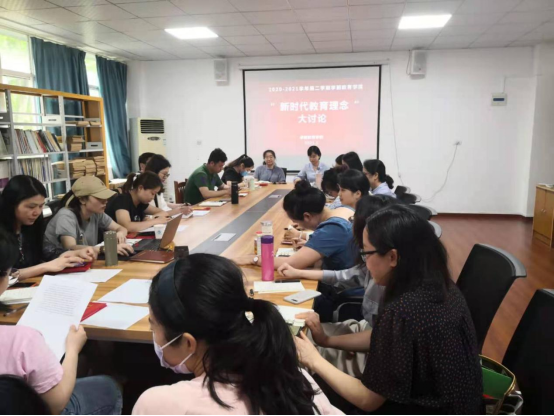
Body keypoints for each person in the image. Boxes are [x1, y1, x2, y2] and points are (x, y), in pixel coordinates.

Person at [295, 205, 483, 415]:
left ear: (393, 257)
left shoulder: (404, 310)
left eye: (366, 253)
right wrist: (326, 341)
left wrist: (314, 360)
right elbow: (385, 337)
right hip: (462, 406)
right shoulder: (441, 286)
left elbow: (368, 400)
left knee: (305, 387)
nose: (365, 263)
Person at [133, 254, 342, 415]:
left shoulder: (160, 405)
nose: (154, 335)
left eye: (153, 327)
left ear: (189, 343)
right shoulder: (295, 378)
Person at [0, 228, 123, 416]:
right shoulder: (22, 341)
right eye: (10, 273)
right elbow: (57, 404)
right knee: (108, 387)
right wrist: (73, 349)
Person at [278, 195, 398, 376]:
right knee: (291, 336)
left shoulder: (404, 301)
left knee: (285, 351)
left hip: (374, 354)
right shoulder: (380, 264)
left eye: (365, 250)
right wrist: (300, 273)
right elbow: (346, 276)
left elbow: (381, 341)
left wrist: (331, 342)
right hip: (365, 331)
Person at [235, 181, 357, 272]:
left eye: (297, 222)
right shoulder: (343, 209)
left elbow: (290, 264)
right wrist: (312, 246)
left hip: (343, 290)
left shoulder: (332, 229)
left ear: (307, 216)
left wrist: (254, 259)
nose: (298, 226)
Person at [0, 176, 96, 280]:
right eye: (31, 207)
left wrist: (76, 253)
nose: (37, 212)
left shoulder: (32, 226)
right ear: (12, 204)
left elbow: (48, 251)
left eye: (41, 206)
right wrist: (45, 267)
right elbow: (4, 276)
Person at [44, 177, 135, 257]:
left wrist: (120, 233)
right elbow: (70, 248)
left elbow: (121, 228)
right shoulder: (66, 216)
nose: (105, 201)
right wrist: (104, 249)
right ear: (82, 199)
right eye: (99, 197)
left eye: (106, 197)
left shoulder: (96, 213)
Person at [106, 172, 172, 233]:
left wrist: (151, 218)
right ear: (140, 188)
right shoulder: (122, 200)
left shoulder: (141, 202)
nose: (153, 197)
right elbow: (126, 226)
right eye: (152, 193)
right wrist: (155, 221)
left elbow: (164, 213)